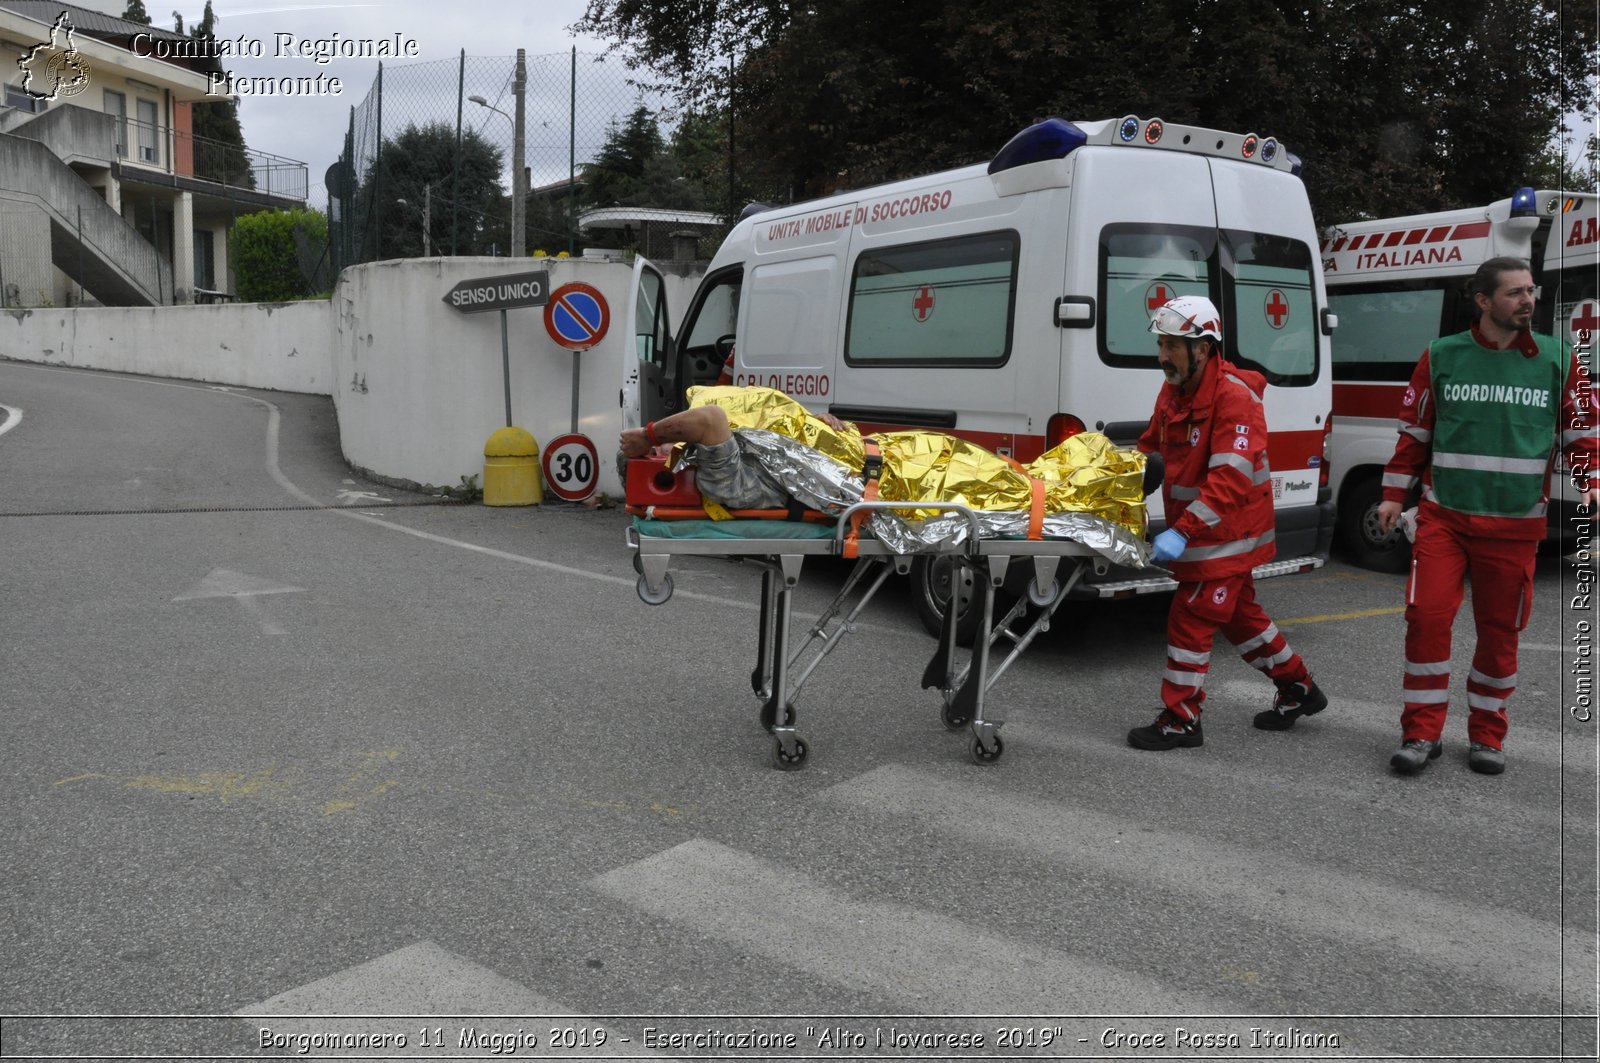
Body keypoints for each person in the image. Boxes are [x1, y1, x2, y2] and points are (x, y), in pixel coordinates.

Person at [1377, 257, 1597, 776]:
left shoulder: (1559, 359)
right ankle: (1420, 732)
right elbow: (1415, 433)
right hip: (1444, 519)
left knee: (1500, 635)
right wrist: (1392, 494)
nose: (1529, 301)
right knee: (1427, 620)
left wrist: (1591, 481)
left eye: (1532, 290)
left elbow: (1581, 433)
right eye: (1516, 292)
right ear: (1483, 301)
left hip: (1516, 526)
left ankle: (1487, 737)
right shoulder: (1441, 356)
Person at [1127, 295, 1328, 750]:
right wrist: (1121, 485)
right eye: (1160, 344)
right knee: (1242, 619)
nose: (1162, 356)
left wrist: (1181, 531)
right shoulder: (1174, 389)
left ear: (1203, 348)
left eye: (1172, 346)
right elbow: (1149, 448)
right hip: (1203, 531)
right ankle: (1299, 689)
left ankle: (1181, 719)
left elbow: (1230, 477)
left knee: (1191, 617)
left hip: (1226, 534)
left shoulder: (1234, 397)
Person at [620, 400, 853, 510]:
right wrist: (648, 436)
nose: (664, 445)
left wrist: (813, 426)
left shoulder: (722, 453)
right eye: (656, 451)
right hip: (860, 481)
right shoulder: (721, 480)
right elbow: (710, 418)